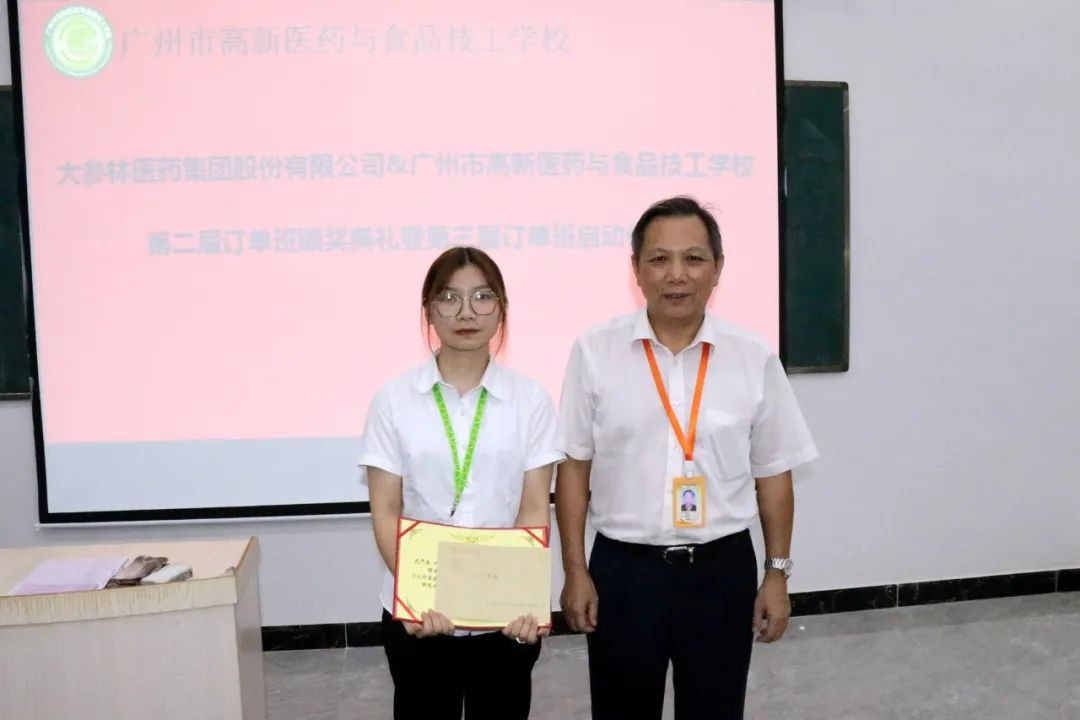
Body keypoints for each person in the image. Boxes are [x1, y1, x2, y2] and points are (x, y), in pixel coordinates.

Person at [555, 196, 819, 720]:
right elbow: (574, 468)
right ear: (636, 269)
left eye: (694, 258)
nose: (676, 275)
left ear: (717, 268)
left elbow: (773, 473)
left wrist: (777, 574)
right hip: (624, 574)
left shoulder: (752, 356)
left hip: (720, 572)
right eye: (659, 259)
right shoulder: (595, 351)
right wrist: (575, 571)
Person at [358, 246, 563, 720]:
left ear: (502, 309)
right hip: (418, 617)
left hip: (505, 619)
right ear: (428, 310)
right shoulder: (394, 400)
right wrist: (416, 598)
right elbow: (385, 509)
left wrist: (524, 601)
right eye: (449, 298)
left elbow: (534, 506)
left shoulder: (530, 400)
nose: (466, 312)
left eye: (482, 297)